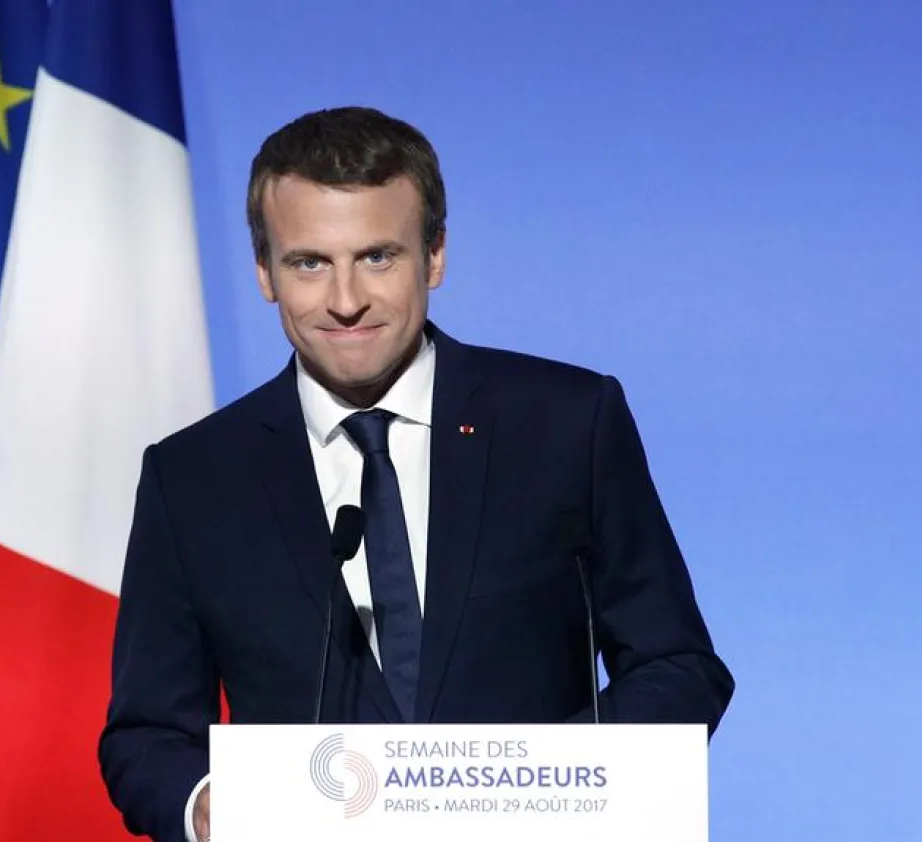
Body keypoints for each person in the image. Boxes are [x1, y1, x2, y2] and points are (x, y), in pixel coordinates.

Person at [97, 106, 734, 842]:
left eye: (377, 257)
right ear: (265, 272)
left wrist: (544, 785)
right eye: (309, 263)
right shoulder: (193, 476)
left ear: (434, 256)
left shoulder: (565, 425)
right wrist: (207, 803)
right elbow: (146, 734)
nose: (345, 301)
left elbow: (679, 667)